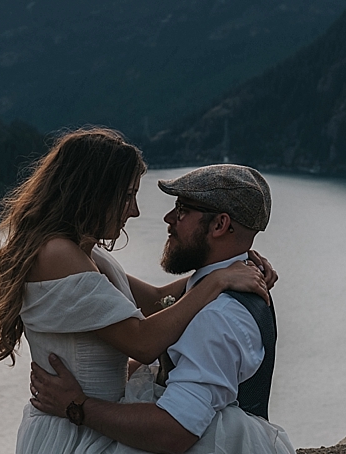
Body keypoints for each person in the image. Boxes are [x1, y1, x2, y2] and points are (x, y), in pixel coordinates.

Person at [0, 128, 275, 454]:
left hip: (92, 420)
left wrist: (236, 269)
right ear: (94, 192)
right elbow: (143, 342)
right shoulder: (57, 255)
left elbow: (159, 302)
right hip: (73, 431)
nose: (135, 211)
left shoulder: (86, 252)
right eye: (128, 195)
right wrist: (218, 281)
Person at [29, 164, 297, 454]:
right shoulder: (215, 289)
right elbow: (160, 301)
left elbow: (173, 431)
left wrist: (78, 405)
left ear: (220, 225)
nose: (168, 217)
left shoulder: (219, 315)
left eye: (182, 209)